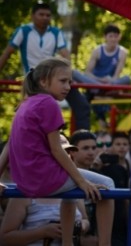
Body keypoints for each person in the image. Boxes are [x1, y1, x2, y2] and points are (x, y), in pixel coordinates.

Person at [0, 57, 115, 246]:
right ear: (44, 81)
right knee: (108, 184)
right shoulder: (48, 103)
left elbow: (8, 147)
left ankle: (67, 242)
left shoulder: (25, 104)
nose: (68, 86)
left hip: (25, 180)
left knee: (71, 191)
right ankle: (105, 243)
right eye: (63, 81)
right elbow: (56, 149)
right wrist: (82, 181)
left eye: (70, 81)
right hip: (45, 179)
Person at [0, 1, 91, 130]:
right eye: (41, 14)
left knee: (82, 105)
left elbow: (66, 55)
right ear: (32, 16)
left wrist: (68, 77)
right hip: (33, 79)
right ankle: (22, 139)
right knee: (34, 110)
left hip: (52, 78)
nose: (45, 18)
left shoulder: (55, 32)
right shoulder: (23, 31)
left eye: (48, 15)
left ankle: (82, 140)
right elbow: (7, 53)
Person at [73, 24, 131, 129]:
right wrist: (101, 81)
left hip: (110, 84)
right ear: (105, 37)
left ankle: (102, 91)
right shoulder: (98, 51)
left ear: (119, 37)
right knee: (74, 73)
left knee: (127, 79)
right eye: (111, 36)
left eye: (115, 36)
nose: (113, 39)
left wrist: (109, 81)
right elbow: (87, 73)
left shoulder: (122, 52)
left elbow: (116, 76)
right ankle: (102, 91)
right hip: (95, 83)